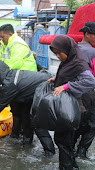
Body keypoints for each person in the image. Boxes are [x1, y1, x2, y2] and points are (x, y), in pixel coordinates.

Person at [49, 35, 95, 169]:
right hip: (69, 107)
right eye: (55, 53)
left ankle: (66, 167)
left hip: (74, 108)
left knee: (63, 141)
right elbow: (70, 75)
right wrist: (56, 78)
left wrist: (65, 86)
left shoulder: (78, 62)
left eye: (59, 52)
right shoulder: (69, 61)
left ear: (68, 49)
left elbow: (90, 81)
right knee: (65, 141)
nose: (57, 56)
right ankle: (71, 166)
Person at [73, 22, 95, 159]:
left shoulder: (74, 48)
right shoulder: (91, 51)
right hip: (89, 92)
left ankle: (72, 150)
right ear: (87, 34)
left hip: (76, 92)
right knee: (92, 125)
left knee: (78, 122)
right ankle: (81, 152)